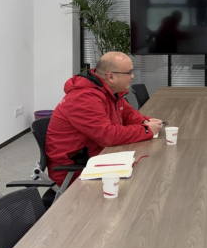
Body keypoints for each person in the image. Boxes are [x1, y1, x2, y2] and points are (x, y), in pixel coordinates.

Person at [46, 52, 163, 186]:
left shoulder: (109, 90)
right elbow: (107, 135)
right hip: (76, 171)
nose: (132, 76)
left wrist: (144, 121)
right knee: (144, 183)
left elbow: (127, 113)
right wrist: (146, 130)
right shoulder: (84, 98)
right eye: (129, 73)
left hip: (99, 155)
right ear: (111, 77)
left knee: (148, 173)